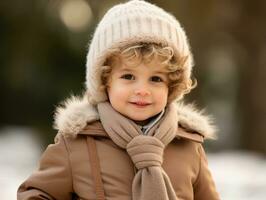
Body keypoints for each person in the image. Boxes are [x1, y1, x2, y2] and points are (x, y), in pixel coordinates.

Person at [17, 0, 220, 199]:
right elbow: (36, 193)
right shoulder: (77, 143)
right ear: (105, 81)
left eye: (155, 79)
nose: (142, 90)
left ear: (172, 86)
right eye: (128, 77)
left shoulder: (188, 145)